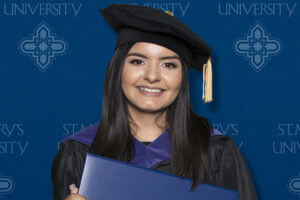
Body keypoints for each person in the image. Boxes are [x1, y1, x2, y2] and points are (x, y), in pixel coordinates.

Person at [51, 4, 257, 200]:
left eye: (168, 64)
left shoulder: (216, 152)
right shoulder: (78, 153)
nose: (152, 76)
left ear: (182, 78)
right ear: (118, 70)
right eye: (138, 61)